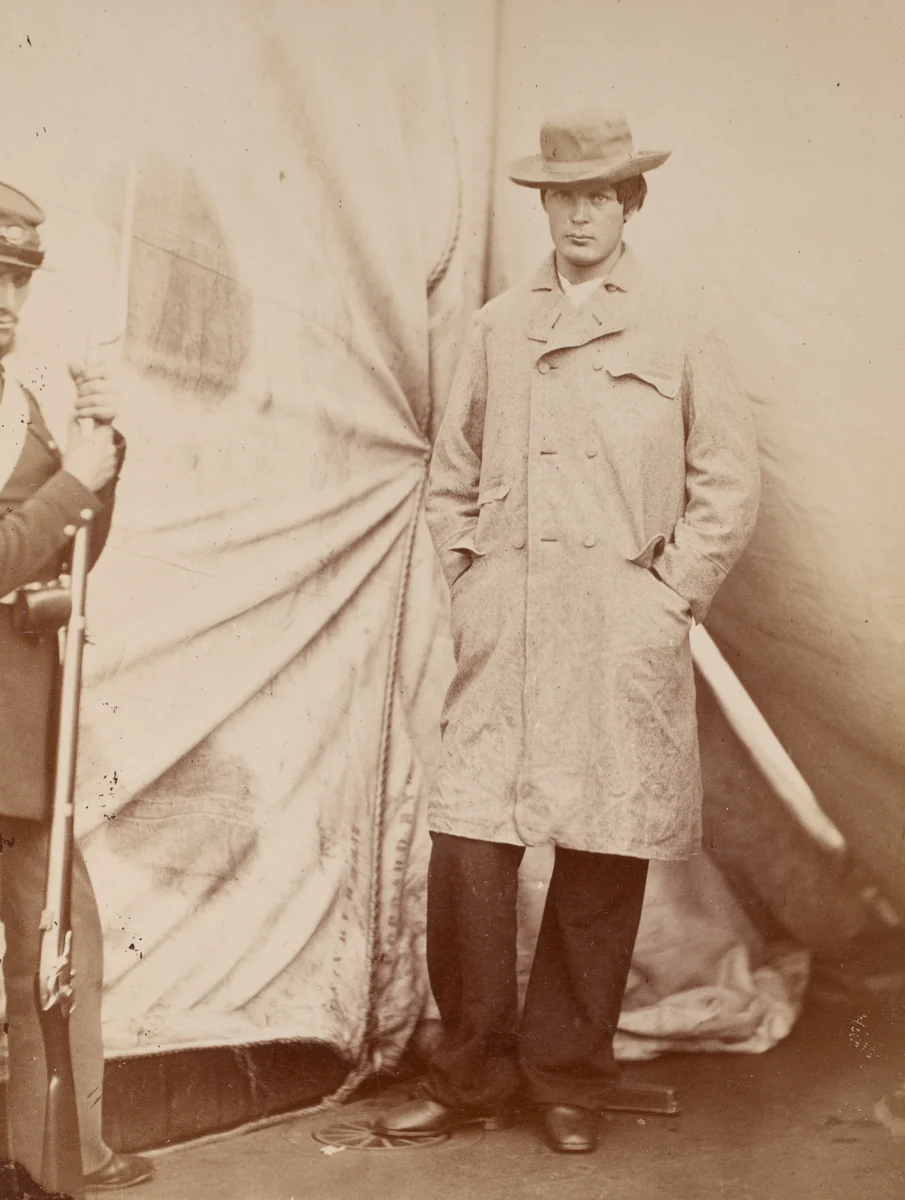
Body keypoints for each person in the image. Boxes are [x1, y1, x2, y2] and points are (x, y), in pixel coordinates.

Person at [378, 110, 761, 1153]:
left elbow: (726, 484)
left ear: (630, 203)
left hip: (615, 625)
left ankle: (566, 1077)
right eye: (563, 194)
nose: (580, 214)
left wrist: (666, 597)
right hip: (508, 624)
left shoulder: (678, 326)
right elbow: (451, 472)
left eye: (600, 194)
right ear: (541, 204)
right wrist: (471, 581)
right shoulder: (499, 326)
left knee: (601, 852)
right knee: (469, 846)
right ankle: (469, 1078)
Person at [0, 177, 153, 1190]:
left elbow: (68, 558)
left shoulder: (22, 400)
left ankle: (60, 1162)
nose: (10, 304)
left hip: (31, 736)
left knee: (55, 957)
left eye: (19, 284)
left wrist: (102, 452)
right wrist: (73, 476)